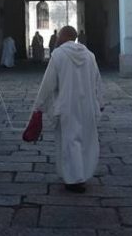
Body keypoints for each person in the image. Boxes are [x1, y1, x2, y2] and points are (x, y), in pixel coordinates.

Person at [31, 25, 103, 193]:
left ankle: (73, 179)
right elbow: (97, 81)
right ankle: (81, 175)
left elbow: (48, 83)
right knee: (85, 140)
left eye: (58, 37)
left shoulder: (58, 55)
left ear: (63, 37)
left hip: (66, 105)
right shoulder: (90, 56)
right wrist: (100, 102)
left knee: (70, 141)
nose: (56, 40)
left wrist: (39, 105)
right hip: (87, 106)